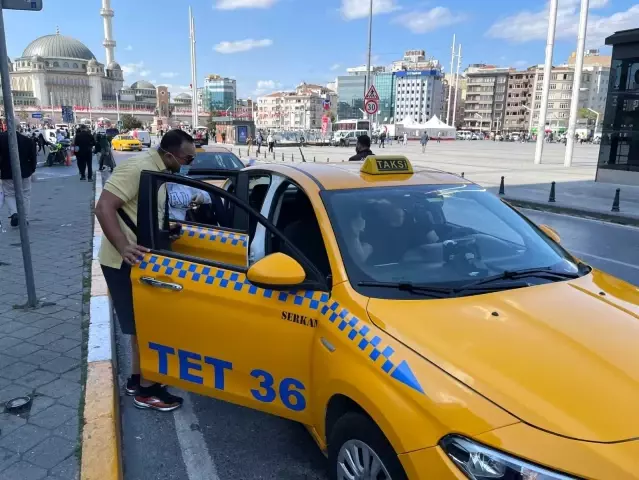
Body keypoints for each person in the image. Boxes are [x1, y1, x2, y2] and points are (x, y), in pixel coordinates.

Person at [95, 129, 196, 412]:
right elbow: (104, 207)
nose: (189, 163)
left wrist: (164, 230)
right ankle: (147, 391)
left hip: (139, 260)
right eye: (187, 158)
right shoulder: (139, 168)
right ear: (169, 155)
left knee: (143, 326)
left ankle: (138, 379)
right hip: (123, 262)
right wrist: (124, 246)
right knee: (146, 327)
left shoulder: (158, 169)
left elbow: (141, 211)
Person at [0, 129, 38, 227]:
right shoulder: (27, 140)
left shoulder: (1, 138)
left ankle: (14, 213)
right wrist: (32, 169)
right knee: (25, 194)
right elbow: (33, 157)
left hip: (7, 173)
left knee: (9, 194)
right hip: (24, 172)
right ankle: (24, 218)